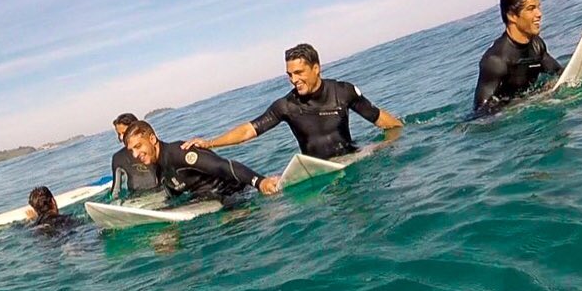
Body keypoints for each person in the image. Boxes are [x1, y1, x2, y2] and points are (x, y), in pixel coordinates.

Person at [183, 43, 403, 160]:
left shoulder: (343, 91)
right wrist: (210, 143)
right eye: (289, 74)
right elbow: (249, 130)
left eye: (299, 72)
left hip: (351, 157)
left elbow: (379, 118)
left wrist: (401, 134)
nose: (293, 79)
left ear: (316, 68)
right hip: (318, 169)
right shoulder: (286, 106)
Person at [123, 121, 279, 202]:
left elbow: (223, 166)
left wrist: (260, 182)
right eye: (131, 151)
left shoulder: (179, 153)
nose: (135, 154)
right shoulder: (158, 167)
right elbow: (175, 196)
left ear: (152, 139)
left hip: (235, 195)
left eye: (138, 146)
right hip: (207, 200)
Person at [473, 0, 563, 113]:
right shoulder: (495, 60)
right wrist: (532, 100)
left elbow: (559, 73)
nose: (539, 14)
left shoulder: (537, 45)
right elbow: (482, 113)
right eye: (531, 9)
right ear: (512, 16)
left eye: (538, 7)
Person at [110, 112, 160, 198]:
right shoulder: (118, 158)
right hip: (136, 199)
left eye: (124, 133)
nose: (121, 137)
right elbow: (115, 190)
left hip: (160, 193)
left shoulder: (153, 149)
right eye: (119, 134)